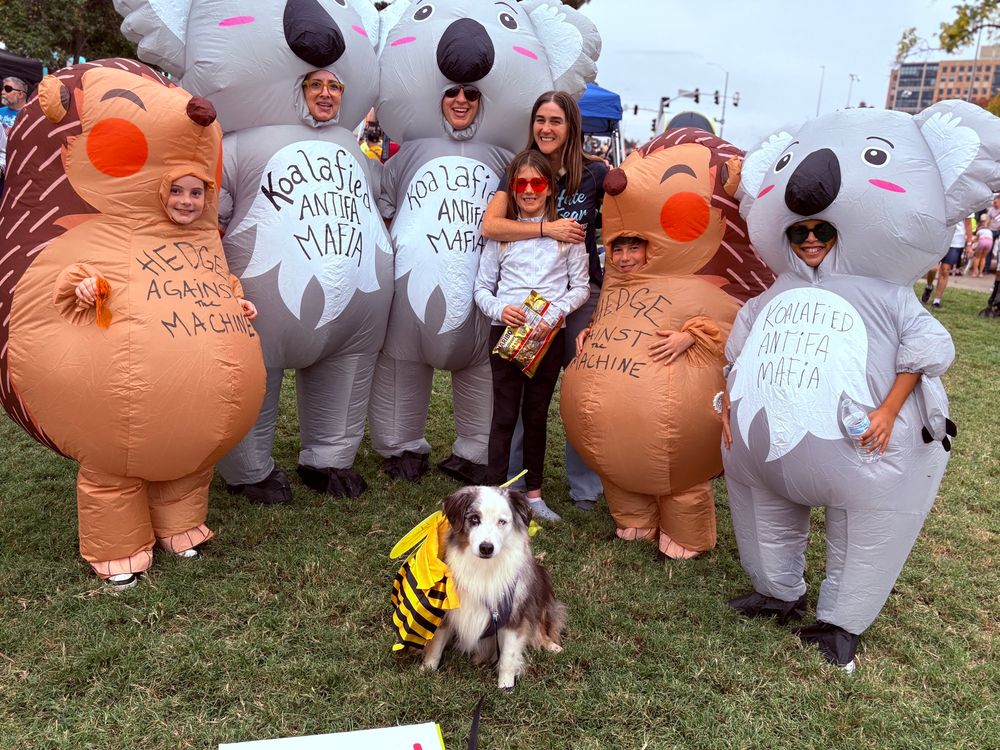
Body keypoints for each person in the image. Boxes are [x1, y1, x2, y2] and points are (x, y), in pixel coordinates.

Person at [482, 90, 608, 511]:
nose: (546, 128)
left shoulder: (594, 174)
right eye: (540, 119)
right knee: (519, 400)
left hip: (575, 294)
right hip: (519, 309)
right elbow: (491, 226)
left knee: (578, 387)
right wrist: (546, 230)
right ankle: (514, 485)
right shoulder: (519, 169)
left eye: (556, 120)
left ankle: (585, 486)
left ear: (571, 126)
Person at [474, 150, 589, 521]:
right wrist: (498, 309)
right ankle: (493, 494)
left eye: (536, 183)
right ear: (512, 187)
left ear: (549, 189)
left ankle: (534, 494)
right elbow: (481, 289)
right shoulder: (501, 237)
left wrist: (555, 312)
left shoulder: (567, 235)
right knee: (503, 416)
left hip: (546, 337)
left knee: (537, 415)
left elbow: (581, 287)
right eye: (520, 183)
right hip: (505, 336)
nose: (528, 190)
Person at [922, 216, 972, 308]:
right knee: (933, 268)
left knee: (945, 270)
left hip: (956, 242)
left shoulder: (967, 203)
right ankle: (929, 287)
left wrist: (969, 244)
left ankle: (937, 301)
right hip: (939, 238)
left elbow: (968, 224)